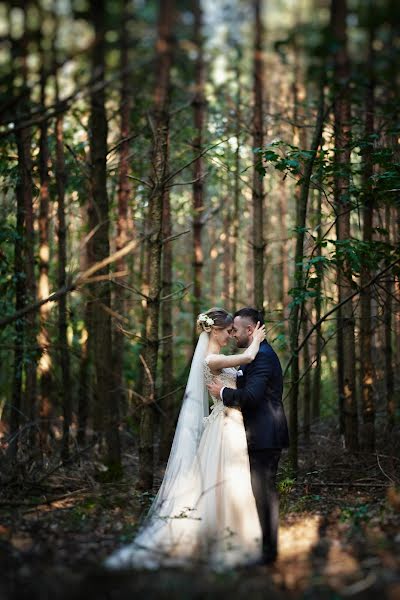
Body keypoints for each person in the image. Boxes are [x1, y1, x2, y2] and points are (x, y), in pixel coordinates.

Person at [105, 308, 266, 571]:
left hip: (230, 422)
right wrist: (257, 337)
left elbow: (239, 373)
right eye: (228, 331)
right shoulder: (211, 359)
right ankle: (222, 540)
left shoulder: (217, 357)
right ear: (214, 331)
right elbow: (248, 357)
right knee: (226, 480)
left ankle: (232, 535)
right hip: (225, 424)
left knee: (228, 480)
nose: (230, 335)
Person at [207, 307, 289, 565]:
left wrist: (222, 393)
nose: (233, 334)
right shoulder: (253, 355)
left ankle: (269, 553)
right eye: (229, 330)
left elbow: (252, 397)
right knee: (258, 493)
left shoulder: (262, 357)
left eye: (236, 330)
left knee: (264, 493)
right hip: (256, 435)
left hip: (265, 435)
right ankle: (262, 547)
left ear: (251, 330)